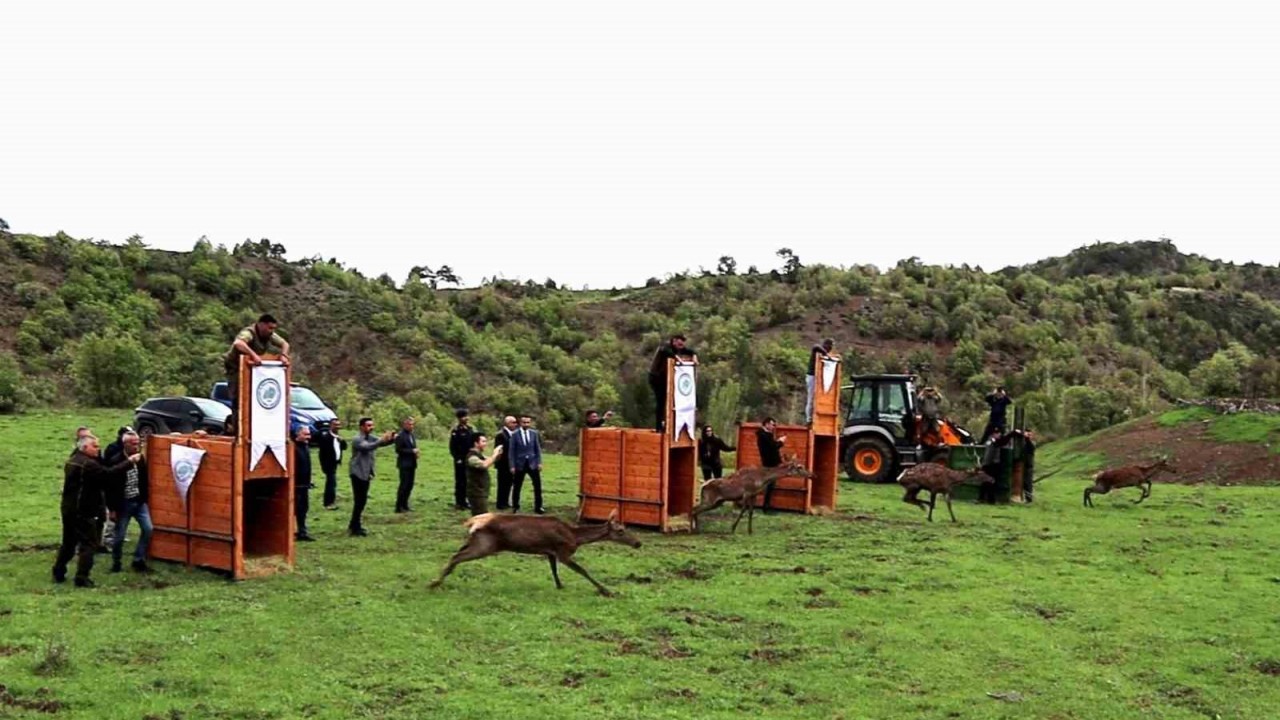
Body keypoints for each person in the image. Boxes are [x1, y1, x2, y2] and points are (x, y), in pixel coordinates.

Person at [54, 434, 140, 587]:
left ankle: (59, 570)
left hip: (68, 508)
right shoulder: (88, 464)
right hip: (84, 510)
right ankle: (82, 577)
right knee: (89, 544)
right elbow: (108, 474)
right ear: (85, 447)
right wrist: (129, 462)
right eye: (95, 446)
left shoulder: (72, 460)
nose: (98, 449)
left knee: (68, 542)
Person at [222, 313, 291, 434]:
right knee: (239, 400)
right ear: (261, 325)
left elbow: (285, 344)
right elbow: (239, 343)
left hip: (252, 370)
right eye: (269, 328)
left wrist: (284, 355)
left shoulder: (270, 335)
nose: (272, 331)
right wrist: (254, 355)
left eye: (273, 328)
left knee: (256, 399)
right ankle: (237, 431)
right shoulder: (249, 332)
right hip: (236, 368)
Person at [106, 431, 153, 572]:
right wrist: (112, 509)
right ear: (125, 444)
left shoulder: (140, 459)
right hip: (123, 504)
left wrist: (144, 499)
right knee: (119, 536)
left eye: (138, 443)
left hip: (139, 502)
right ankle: (116, 562)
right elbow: (110, 488)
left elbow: (144, 480)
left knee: (148, 529)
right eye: (133, 444)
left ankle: (138, 559)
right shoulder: (116, 461)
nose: (137, 446)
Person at [347, 417, 396, 536]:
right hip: (358, 473)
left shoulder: (370, 437)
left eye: (372, 425)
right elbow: (367, 447)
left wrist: (392, 439)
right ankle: (355, 527)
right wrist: (381, 440)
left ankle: (354, 524)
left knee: (362, 501)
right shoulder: (357, 439)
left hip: (366, 473)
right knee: (359, 501)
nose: (371, 427)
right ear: (362, 427)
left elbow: (380, 443)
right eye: (368, 425)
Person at [647, 334, 699, 432]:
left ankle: (669, 424)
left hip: (666, 378)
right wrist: (677, 358)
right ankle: (659, 427)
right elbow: (666, 351)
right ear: (674, 341)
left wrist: (694, 356)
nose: (681, 346)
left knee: (671, 401)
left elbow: (690, 351)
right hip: (656, 378)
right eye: (679, 344)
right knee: (661, 402)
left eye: (682, 344)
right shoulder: (665, 346)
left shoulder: (677, 348)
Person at [508, 415, 545, 514]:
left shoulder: (534, 433)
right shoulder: (515, 434)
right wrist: (512, 465)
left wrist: (539, 462)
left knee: (537, 486)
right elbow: (511, 451)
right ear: (520, 423)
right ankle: (516, 506)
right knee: (517, 486)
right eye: (524, 422)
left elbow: (537, 449)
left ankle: (538, 507)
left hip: (532, 463)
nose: (526, 424)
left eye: (528, 422)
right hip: (520, 464)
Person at [464, 433, 505, 516]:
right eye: (483, 441)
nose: (485, 444)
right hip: (476, 492)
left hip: (481, 491)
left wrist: (498, 455)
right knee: (481, 516)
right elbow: (484, 465)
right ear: (476, 443)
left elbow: (490, 460)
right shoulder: (471, 457)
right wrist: (494, 454)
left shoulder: (479, 455)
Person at [756, 417, 786, 513]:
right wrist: (781, 441)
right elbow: (773, 447)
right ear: (767, 424)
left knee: (770, 485)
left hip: (770, 463)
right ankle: (766, 507)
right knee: (769, 485)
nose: (774, 427)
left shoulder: (765, 434)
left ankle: (767, 506)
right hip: (770, 464)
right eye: (773, 425)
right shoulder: (764, 435)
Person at [448, 410, 477, 510]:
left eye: (467, 416)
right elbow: (452, 447)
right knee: (460, 481)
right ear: (459, 419)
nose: (466, 418)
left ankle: (466, 500)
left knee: (468, 481)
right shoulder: (456, 431)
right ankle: (459, 502)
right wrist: (457, 458)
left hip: (469, 458)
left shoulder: (470, 429)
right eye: (464, 417)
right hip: (460, 460)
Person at [316, 419, 347, 510]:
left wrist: (342, 441)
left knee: (332, 482)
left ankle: (330, 502)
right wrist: (323, 464)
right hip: (328, 464)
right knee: (331, 483)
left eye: (338, 425)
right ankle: (328, 503)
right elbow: (322, 452)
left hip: (335, 463)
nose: (337, 427)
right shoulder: (326, 437)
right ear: (330, 426)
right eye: (335, 425)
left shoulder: (338, 437)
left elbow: (344, 448)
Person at [293, 426, 315, 541]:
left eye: (309, 434)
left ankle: (302, 531)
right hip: (296, 484)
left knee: (304, 508)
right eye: (305, 434)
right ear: (298, 434)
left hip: (305, 484)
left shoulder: (305, 447)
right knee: (297, 508)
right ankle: (297, 531)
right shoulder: (293, 448)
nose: (309, 437)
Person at [805, 339, 835, 423]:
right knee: (811, 397)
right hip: (812, 376)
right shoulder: (817, 351)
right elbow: (815, 346)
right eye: (830, 346)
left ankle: (814, 418)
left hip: (818, 377)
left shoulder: (822, 354)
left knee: (816, 398)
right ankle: (809, 419)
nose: (830, 349)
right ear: (826, 345)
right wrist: (826, 354)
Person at [394, 416, 419, 513]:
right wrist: (411, 451)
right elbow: (398, 450)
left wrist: (415, 454)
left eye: (413, 424)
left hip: (412, 463)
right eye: (409, 424)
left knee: (410, 485)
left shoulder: (411, 435)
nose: (411, 426)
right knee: (404, 485)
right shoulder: (401, 436)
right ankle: (399, 506)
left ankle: (405, 505)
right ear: (404, 425)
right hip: (404, 464)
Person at [494, 415, 517, 510]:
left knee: (509, 483)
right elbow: (499, 450)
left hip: (511, 464)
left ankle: (506, 501)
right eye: (513, 422)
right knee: (502, 484)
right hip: (503, 464)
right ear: (507, 423)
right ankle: (500, 503)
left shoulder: (513, 434)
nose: (515, 424)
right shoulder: (501, 435)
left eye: (515, 422)